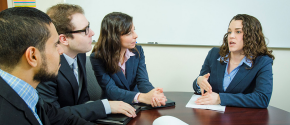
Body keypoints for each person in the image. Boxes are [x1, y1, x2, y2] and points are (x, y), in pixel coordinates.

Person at [36, 4, 136, 121]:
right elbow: (52, 116)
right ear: (64, 39)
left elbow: (82, 100)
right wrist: (105, 106)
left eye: (89, 27)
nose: (92, 33)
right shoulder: (46, 67)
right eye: (85, 30)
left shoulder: (80, 54)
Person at [0, 7, 95, 125]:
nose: (60, 50)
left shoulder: (28, 93)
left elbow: (64, 119)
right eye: (56, 45)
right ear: (33, 56)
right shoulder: (7, 117)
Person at [192, 14, 275, 108]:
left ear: (252, 36)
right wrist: (199, 82)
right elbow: (199, 85)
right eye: (229, 32)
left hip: (242, 119)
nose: (231, 36)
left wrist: (220, 98)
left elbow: (262, 99)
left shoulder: (263, 62)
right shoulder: (214, 54)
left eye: (238, 32)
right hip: (211, 117)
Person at [90, 12, 167, 107]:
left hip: (136, 104)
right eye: (129, 33)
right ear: (114, 36)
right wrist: (142, 97)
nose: (136, 35)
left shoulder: (138, 51)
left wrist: (154, 95)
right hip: (114, 106)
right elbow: (111, 90)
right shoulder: (98, 57)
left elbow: (143, 81)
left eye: (134, 30)